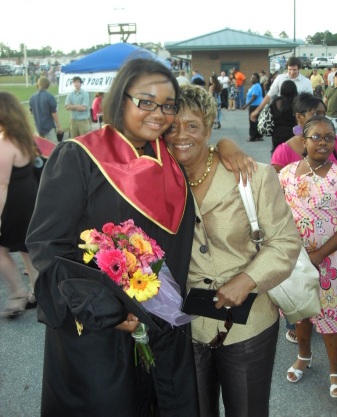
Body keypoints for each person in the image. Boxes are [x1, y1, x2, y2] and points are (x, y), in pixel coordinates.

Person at [26, 58, 256, 416]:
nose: (159, 113)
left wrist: (226, 144)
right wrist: (107, 311)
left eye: (168, 105)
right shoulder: (80, 157)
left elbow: (204, 150)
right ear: (121, 99)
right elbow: (47, 246)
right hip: (102, 330)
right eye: (146, 101)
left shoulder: (172, 161)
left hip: (165, 327)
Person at [164, 83, 301, 416]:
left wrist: (248, 279)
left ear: (209, 128)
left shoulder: (253, 177)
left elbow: (285, 241)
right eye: (172, 126)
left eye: (193, 125)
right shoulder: (158, 180)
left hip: (248, 323)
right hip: (185, 326)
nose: (181, 134)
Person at [279, 116, 337, 398]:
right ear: (303, 140)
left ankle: (335, 371)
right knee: (299, 310)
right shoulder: (288, 173)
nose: (323, 142)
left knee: (330, 315)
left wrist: (318, 255)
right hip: (295, 259)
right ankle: (304, 355)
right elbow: (274, 211)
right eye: (316, 137)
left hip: (330, 260)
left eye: (329, 137)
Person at [0, 92, 39, 317]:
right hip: (28, 201)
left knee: (1, 251)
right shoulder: (25, 137)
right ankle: (36, 292)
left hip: (13, 205)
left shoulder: (6, 143)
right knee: (26, 250)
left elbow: (2, 185)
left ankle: (17, 295)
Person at [271, 93, 334, 173]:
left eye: (323, 114)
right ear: (299, 117)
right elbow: (274, 182)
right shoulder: (284, 152)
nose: (322, 119)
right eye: (316, 114)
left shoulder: (334, 142)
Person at [250, 57, 313, 122]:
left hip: (297, 118)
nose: (292, 72)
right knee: (281, 131)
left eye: (294, 70)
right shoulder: (280, 78)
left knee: (297, 132)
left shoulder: (306, 82)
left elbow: (309, 102)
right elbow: (269, 95)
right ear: (287, 68)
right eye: (290, 69)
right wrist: (257, 110)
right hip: (281, 116)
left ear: (299, 68)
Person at [29, 77, 63, 144]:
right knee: (53, 147)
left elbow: (31, 112)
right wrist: (59, 126)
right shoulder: (49, 97)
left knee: (41, 148)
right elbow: (54, 113)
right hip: (48, 127)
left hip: (38, 127)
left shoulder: (32, 97)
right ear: (48, 85)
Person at [270, 80, 298, 152]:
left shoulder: (275, 101)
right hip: (293, 134)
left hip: (277, 134)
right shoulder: (298, 102)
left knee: (277, 156)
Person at [242, 73, 263, 142]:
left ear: (257, 79)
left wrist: (246, 105)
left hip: (255, 105)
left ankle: (252, 137)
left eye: (253, 78)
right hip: (256, 105)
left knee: (252, 121)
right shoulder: (255, 86)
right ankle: (258, 135)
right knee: (256, 121)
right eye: (251, 77)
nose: (252, 79)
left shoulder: (256, 86)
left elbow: (254, 96)